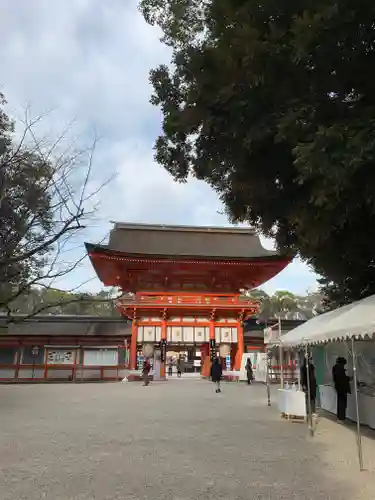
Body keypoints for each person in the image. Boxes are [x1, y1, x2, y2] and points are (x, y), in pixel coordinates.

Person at [332, 357, 351, 421]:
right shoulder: (340, 368)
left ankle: (340, 417)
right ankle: (341, 418)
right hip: (342, 388)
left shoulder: (335, 367)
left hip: (338, 387)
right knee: (342, 403)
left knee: (340, 402)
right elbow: (342, 378)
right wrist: (349, 378)